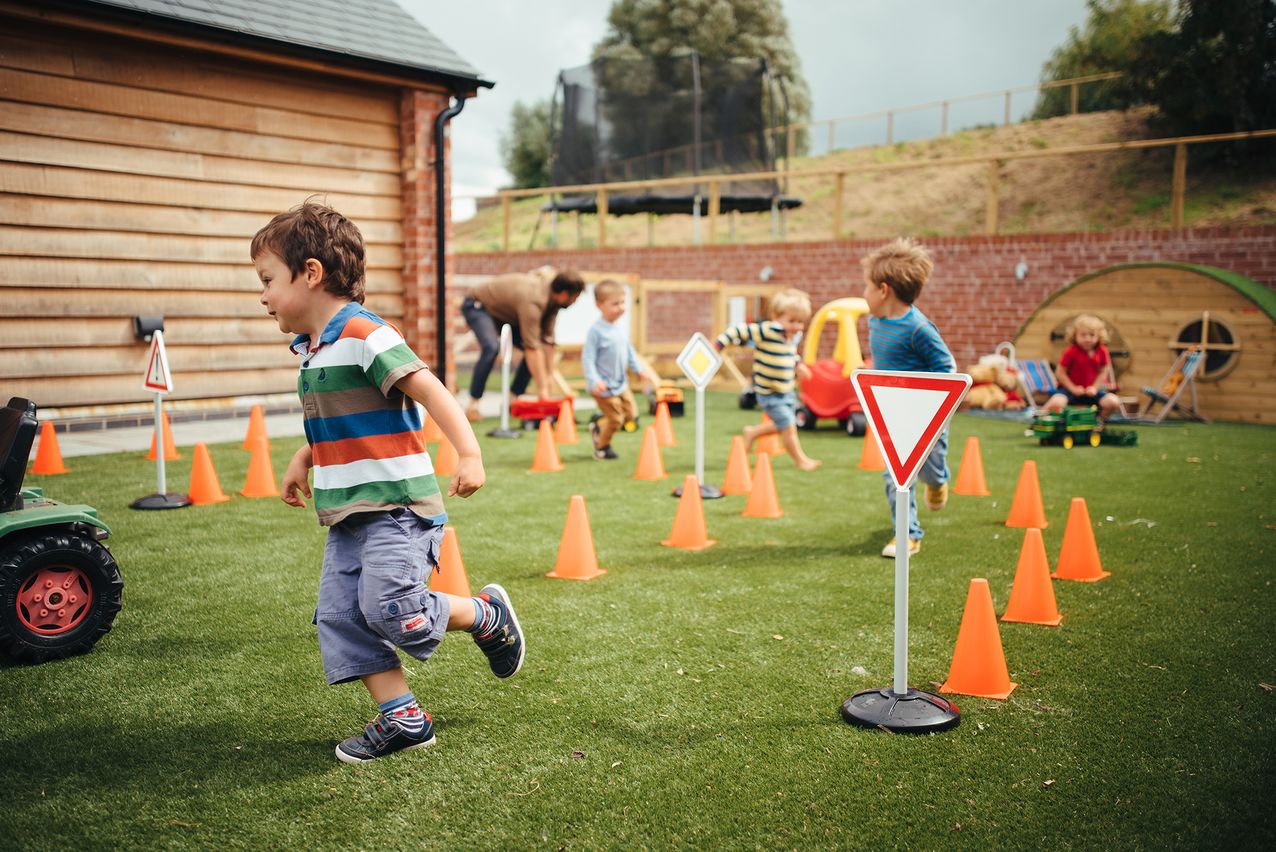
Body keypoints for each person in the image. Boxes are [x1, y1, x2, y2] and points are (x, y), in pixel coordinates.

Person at [252, 200, 525, 764]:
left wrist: (469, 452)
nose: (263, 296)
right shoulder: (314, 351)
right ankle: (403, 720)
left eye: (267, 280)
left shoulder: (364, 333)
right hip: (348, 512)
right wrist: (304, 457)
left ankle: (485, 616)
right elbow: (340, 419)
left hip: (398, 507)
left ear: (310, 273)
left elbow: (430, 391)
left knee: (390, 608)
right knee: (339, 616)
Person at [861, 237, 956, 558]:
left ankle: (939, 480)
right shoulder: (874, 321)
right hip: (894, 417)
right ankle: (908, 534)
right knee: (895, 478)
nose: (864, 294)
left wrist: (930, 405)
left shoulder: (919, 329)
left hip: (927, 416)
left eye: (867, 288)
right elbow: (887, 360)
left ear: (884, 290)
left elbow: (947, 369)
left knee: (931, 470)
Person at [714, 288, 821, 472]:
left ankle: (752, 433)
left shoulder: (790, 337)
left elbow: (789, 355)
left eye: (800, 322)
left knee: (785, 423)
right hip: (769, 392)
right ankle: (800, 460)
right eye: (791, 321)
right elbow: (739, 330)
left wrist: (799, 365)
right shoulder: (767, 330)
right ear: (775, 316)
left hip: (786, 391)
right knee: (788, 427)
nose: (796, 326)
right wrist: (719, 344)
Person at [461, 267, 586, 420]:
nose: (575, 301)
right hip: (478, 305)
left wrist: (550, 373)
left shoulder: (553, 303)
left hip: (507, 314)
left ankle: (512, 401)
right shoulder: (534, 302)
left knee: (533, 352)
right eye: (575, 297)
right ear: (564, 294)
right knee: (491, 348)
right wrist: (543, 390)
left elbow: (546, 342)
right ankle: (473, 405)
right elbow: (532, 348)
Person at [582, 279, 660, 460]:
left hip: (621, 383)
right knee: (616, 420)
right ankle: (602, 447)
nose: (621, 307)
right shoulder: (596, 331)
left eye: (623, 302)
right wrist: (595, 380)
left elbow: (629, 351)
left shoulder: (619, 327)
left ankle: (599, 426)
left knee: (632, 415)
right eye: (615, 304)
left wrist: (638, 369)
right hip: (603, 387)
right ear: (599, 305)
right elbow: (588, 358)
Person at [1045, 314, 1120, 421]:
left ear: (1099, 336)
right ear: (1075, 335)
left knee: (1113, 401)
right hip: (1069, 391)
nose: (1088, 338)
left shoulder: (1102, 351)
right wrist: (1073, 388)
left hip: (1092, 392)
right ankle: (1039, 417)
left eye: (1092, 335)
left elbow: (1103, 371)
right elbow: (1060, 373)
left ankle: (1098, 422)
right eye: (1083, 335)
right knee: (1056, 402)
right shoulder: (1071, 352)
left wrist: (1095, 387)